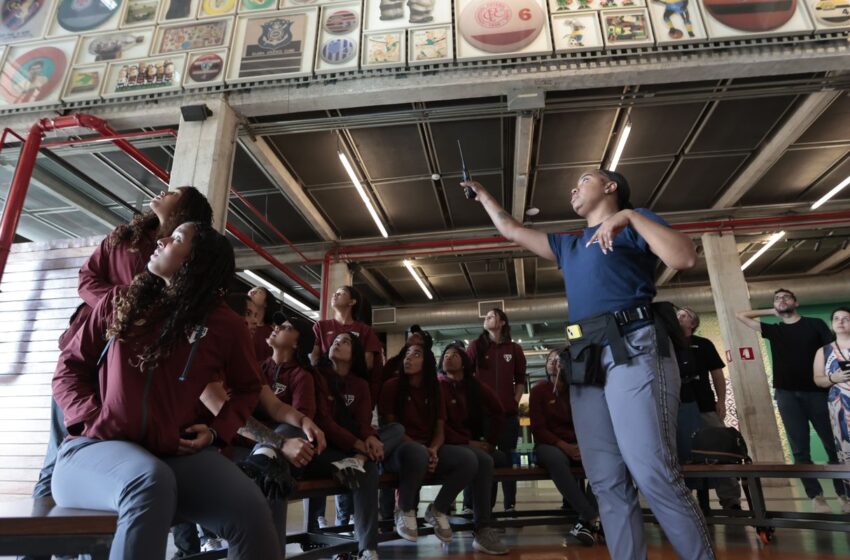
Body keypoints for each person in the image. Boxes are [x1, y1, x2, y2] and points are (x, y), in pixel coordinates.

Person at [461, 170, 713, 559]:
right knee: (606, 480)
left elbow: (684, 257)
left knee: (652, 471)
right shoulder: (570, 244)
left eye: (585, 180)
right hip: (585, 358)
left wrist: (628, 217)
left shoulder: (636, 222)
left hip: (635, 344)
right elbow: (511, 229)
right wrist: (483, 196)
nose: (573, 188)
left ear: (611, 187)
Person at [52, 222, 279, 560]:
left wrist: (218, 432)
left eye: (176, 239)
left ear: (195, 261)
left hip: (171, 454)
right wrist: (92, 417)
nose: (160, 241)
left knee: (251, 507)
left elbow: (248, 388)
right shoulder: (121, 300)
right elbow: (68, 368)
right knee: (147, 481)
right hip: (95, 450)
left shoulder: (224, 326)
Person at [33, 187, 213, 508]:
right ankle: (36, 550)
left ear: (186, 209)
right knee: (59, 451)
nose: (162, 190)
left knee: (124, 462)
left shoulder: (184, 258)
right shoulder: (125, 236)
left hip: (133, 365)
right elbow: (87, 277)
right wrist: (120, 305)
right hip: (91, 347)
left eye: (173, 192)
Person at [736, 289, 845, 513]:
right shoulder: (774, 330)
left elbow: (831, 352)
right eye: (777, 299)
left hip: (818, 392)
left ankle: (843, 494)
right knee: (800, 450)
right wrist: (771, 311)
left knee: (832, 446)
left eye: (786, 297)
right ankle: (816, 497)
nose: (782, 301)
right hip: (787, 395)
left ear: (796, 301)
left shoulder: (815, 324)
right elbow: (741, 315)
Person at [304, 332, 404, 560]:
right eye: (336, 341)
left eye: (345, 342)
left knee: (396, 430)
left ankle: (368, 548)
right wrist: (360, 444)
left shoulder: (360, 384)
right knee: (367, 468)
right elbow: (324, 422)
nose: (337, 343)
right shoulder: (317, 376)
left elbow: (364, 422)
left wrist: (369, 438)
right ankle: (367, 545)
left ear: (355, 354)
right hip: (326, 450)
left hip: (353, 452)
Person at [379, 344, 478, 545]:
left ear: (427, 363)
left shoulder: (435, 390)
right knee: (416, 452)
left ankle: (438, 508)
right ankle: (405, 508)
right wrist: (424, 451)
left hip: (427, 450)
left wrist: (433, 449)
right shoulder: (391, 386)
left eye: (416, 355)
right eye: (406, 354)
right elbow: (392, 428)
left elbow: (440, 429)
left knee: (469, 459)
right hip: (399, 452)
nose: (408, 359)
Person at [437, 342, 509, 555]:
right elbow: (438, 425)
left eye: (454, 355)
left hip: (473, 444)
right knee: (484, 461)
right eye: (446, 355)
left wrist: (491, 442)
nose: (448, 357)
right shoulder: (438, 385)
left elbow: (498, 411)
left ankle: (482, 520)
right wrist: (468, 443)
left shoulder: (474, 386)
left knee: (498, 457)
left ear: (464, 362)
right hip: (446, 444)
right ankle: (482, 527)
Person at [530, 349, 601, 547]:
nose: (553, 362)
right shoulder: (538, 391)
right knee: (555, 459)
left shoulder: (577, 390)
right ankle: (590, 515)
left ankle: (583, 523)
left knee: (601, 464)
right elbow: (538, 429)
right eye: (550, 359)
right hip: (549, 445)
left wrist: (580, 445)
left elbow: (588, 422)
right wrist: (565, 446)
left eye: (558, 359)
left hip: (578, 443)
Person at [677, 307, 742, 509]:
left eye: (684, 315)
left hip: (704, 404)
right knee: (681, 453)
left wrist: (721, 401)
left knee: (719, 450)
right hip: (678, 407)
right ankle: (684, 501)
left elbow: (717, 375)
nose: (679, 317)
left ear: (693, 323)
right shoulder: (668, 346)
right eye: (677, 315)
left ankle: (731, 500)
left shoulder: (704, 344)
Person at [466, 309, 526, 513]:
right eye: (486, 317)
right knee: (483, 456)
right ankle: (481, 508)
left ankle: (510, 505)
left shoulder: (515, 349)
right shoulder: (476, 346)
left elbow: (520, 380)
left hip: (507, 416)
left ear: (502, 322)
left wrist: (514, 401)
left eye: (491, 316)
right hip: (481, 415)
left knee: (507, 457)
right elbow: (466, 376)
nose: (486, 319)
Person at [812, 306, 850, 514]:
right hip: (840, 408)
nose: (841, 322)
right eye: (837, 318)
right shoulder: (824, 351)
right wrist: (832, 378)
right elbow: (818, 380)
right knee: (845, 451)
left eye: (846, 318)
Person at [249, 286, 276, 362]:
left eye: (259, 292)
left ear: (266, 303)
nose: (252, 292)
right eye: (251, 290)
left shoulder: (272, 333)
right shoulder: (239, 322)